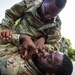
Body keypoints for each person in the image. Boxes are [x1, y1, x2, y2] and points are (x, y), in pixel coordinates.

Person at [0, 0, 73, 75]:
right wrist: (6, 27)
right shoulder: (29, 3)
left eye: (52, 16)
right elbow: (11, 15)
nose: (47, 17)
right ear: (43, 1)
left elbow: (55, 46)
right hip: (14, 42)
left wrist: (42, 43)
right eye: (47, 11)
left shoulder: (56, 24)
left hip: (30, 55)